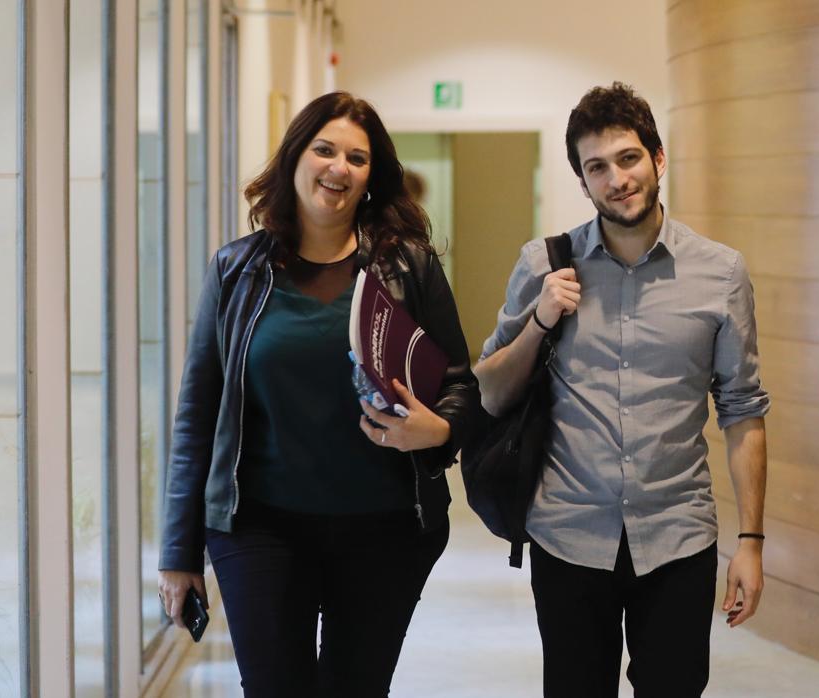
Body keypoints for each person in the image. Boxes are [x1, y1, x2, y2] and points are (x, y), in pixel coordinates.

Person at [157, 91, 480, 697]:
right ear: (295, 158)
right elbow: (197, 416)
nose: (339, 168)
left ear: (370, 176)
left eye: (357, 159)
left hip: (384, 529)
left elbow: (460, 385)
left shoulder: (408, 266)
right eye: (325, 150)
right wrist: (178, 552)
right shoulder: (237, 271)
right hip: (260, 528)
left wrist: (436, 432)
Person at [475, 82, 770, 698]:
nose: (617, 179)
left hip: (679, 536)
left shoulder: (721, 272)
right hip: (567, 535)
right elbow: (490, 392)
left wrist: (751, 543)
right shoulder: (543, 264)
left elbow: (743, 412)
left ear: (658, 160)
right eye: (597, 167)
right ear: (583, 182)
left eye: (628, 158)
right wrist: (540, 321)